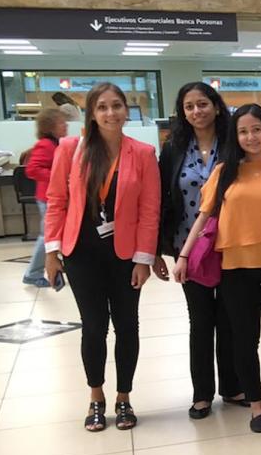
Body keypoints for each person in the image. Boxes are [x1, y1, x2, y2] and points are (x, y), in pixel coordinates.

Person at [174, 105, 261, 434]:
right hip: (236, 271)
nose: (251, 137)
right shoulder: (224, 171)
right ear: (236, 136)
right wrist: (184, 256)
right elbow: (203, 217)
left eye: (257, 129)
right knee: (244, 341)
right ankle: (257, 405)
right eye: (243, 131)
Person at [44, 83, 160, 432]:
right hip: (82, 252)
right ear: (92, 114)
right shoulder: (71, 149)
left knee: (127, 326)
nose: (111, 113)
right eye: (103, 107)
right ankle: (97, 397)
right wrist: (52, 252)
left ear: (126, 111)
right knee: (94, 327)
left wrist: (144, 258)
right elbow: (56, 200)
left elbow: (150, 210)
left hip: (125, 255)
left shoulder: (142, 152)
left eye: (117, 106)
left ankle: (124, 397)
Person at [155, 82, 247, 419]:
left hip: (230, 244)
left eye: (203, 104)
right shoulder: (174, 149)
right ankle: (202, 393)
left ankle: (233, 386)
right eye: (189, 106)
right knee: (200, 320)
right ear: (182, 112)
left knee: (229, 318)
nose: (197, 111)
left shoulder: (234, 144)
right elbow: (162, 198)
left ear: (217, 106)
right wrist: (156, 250)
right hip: (189, 246)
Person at [22, 108, 67, 288]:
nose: (66, 125)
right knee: (47, 237)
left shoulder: (56, 143)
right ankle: (33, 274)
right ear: (50, 127)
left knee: (51, 236)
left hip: (53, 196)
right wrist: (57, 175)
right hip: (47, 198)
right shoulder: (46, 145)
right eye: (61, 122)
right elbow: (31, 169)